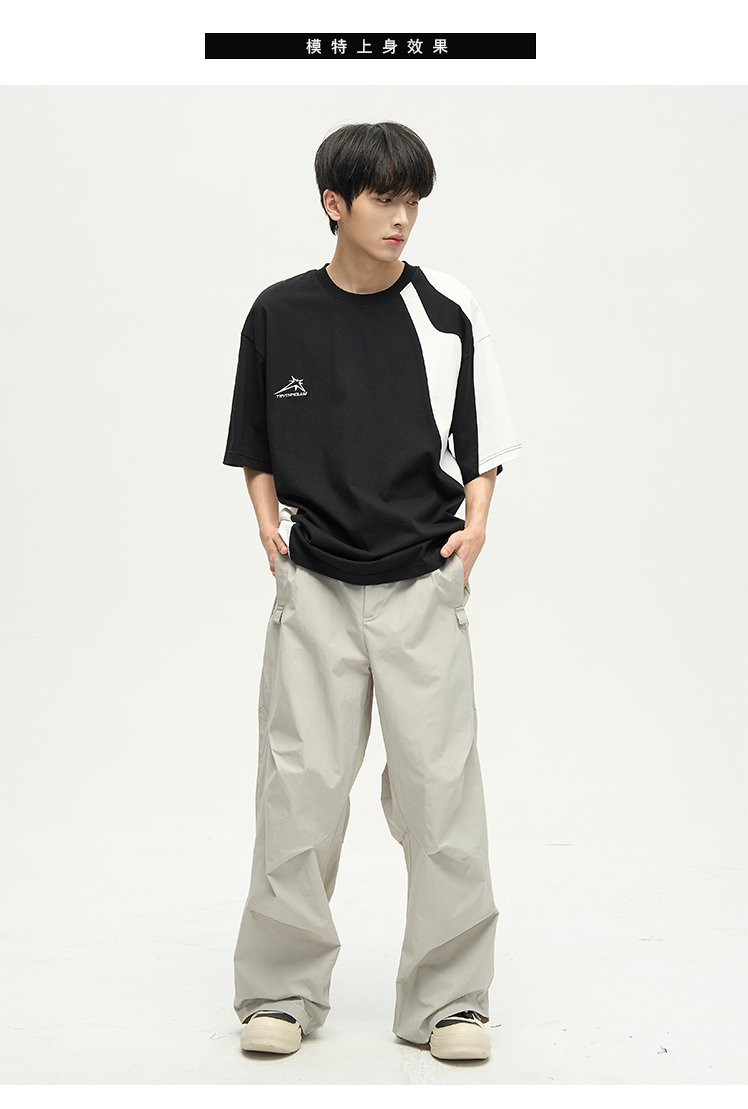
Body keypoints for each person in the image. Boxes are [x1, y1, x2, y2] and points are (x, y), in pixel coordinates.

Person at [222, 121, 522, 1061]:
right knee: (299, 792)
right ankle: (279, 992)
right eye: (384, 199)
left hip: (423, 583)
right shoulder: (278, 313)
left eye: (412, 200)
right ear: (334, 204)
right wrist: (267, 527)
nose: (402, 217)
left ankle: (451, 1001)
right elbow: (254, 440)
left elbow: (483, 436)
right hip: (313, 584)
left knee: (440, 794)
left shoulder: (447, 310)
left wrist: (475, 530)